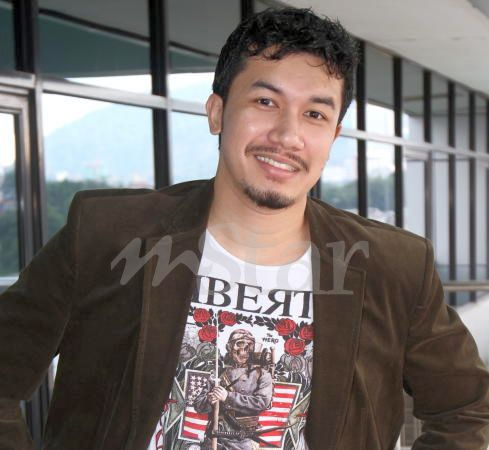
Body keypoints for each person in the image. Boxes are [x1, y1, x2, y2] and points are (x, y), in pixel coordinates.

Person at [1, 7, 489, 450]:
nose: (288, 135)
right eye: (265, 101)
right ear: (217, 112)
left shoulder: (391, 267)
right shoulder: (109, 235)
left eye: (315, 114)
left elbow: (467, 409)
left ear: (334, 135)